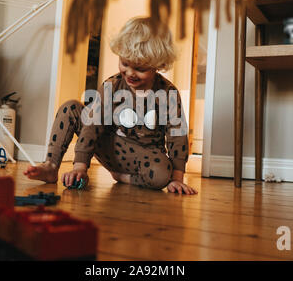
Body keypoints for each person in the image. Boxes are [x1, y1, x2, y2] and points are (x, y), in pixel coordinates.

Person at [24, 17, 198, 195]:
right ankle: (51, 166)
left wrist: (176, 180)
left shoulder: (168, 93)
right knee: (71, 108)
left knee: (162, 173)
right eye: (125, 63)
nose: (130, 73)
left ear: (158, 65)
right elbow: (92, 126)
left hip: (145, 157)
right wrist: (80, 167)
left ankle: (123, 177)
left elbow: (178, 136)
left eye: (140, 69)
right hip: (109, 146)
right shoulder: (112, 86)